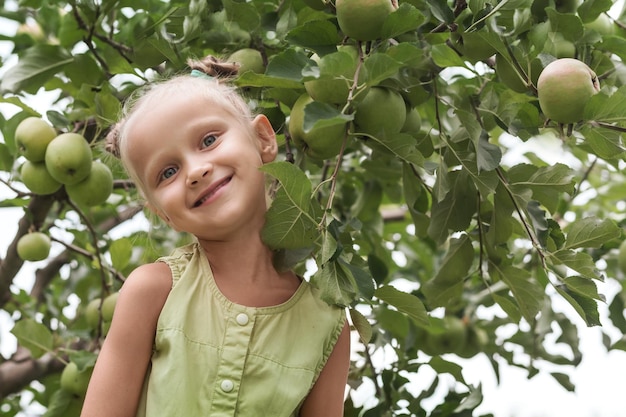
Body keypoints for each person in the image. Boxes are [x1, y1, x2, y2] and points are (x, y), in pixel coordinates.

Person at [80, 55, 351, 417]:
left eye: (208, 140)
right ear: (162, 213)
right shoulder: (154, 290)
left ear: (263, 139)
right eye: (168, 172)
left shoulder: (328, 325)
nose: (195, 171)